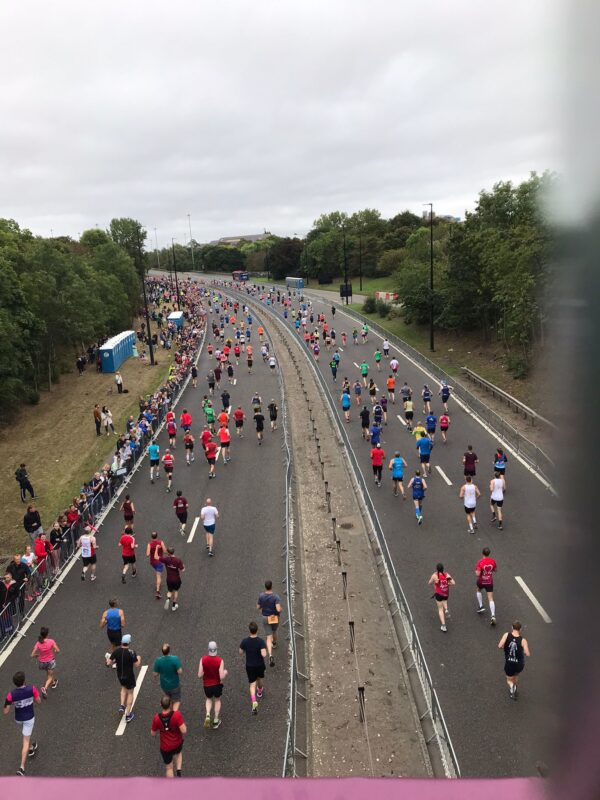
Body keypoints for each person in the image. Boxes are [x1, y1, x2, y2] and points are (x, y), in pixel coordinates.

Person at [3, 670, 41, 776]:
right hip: (29, 718)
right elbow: (39, 701)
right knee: (25, 740)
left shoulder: (11, 695)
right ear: (24, 680)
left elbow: (5, 711)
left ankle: (32, 746)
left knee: (26, 734)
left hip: (18, 719)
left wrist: (8, 703)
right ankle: (22, 768)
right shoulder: (32, 689)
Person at [151, 695, 187, 777]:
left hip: (165, 747)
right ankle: (178, 771)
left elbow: (152, 733)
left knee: (169, 768)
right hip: (177, 743)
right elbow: (184, 730)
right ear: (171, 704)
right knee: (178, 753)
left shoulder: (156, 718)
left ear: (160, 705)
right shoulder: (176, 715)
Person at [109, 634, 141, 723]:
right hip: (129, 676)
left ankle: (122, 705)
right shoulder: (131, 652)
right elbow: (137, 664)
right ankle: (128, 715)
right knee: (130, 693)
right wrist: (139, 658)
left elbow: (108, 663)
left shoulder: (116, 651)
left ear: (122, 642)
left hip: (120, 675)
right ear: (129, 642)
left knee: (123, 688)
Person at [239, 621, 267, 715]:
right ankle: (259, 691)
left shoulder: (245, 641)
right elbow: (264, 654)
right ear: (257, 630)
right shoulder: (260, 641)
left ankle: (254, 700)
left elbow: (240, 652)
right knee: (259, 679)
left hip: (250, 666)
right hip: (259, 665)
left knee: (252, 684)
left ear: (249, 630)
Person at [198, 641, 228, 729]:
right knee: (217, 700)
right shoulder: (220, 660)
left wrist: (206, 671)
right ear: (216, 649)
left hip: (207, 685)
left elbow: (199, 675)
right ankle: (215, 720)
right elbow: (221, 676)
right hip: (217, 685)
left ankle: (207, 714)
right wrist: (225, 672)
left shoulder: (203, 659)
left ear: (208, 649)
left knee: (208, 699)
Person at [498, 621, 530, 700]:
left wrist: (505, 647)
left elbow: (500, 646)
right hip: (519, 664)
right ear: (520, 629)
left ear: (512, 627)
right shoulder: (523, 640)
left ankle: (512, 687)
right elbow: (527, 653)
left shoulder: (506, 635)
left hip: (509, 662)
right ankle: (514, 685)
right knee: (516, 674)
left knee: (509, 679)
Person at [257, 580, 282, 666]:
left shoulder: (261, 596)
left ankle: (270, 655)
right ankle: (274, 643)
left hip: (265, 617)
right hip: (274, 617)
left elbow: (258, 607)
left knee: (268, 636)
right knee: (274, 631)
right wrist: (280, 609)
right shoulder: (275, 597)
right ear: (271, 586)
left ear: (265, 587)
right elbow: (278, 609)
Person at [153, 643, 183, 711]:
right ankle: (174, 715)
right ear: (169, 650)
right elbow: (180, 671)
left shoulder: (158, 660)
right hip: (174, 684)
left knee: (168, 700)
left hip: (164, 685)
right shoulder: (175, 659)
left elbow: (155, 674)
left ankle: (169, 712)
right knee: (176, 700)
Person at [31, 627, 59, 696]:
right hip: (50, 662)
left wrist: (37, 655)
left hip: (42, 663)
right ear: (47, 634)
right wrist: (55, 650)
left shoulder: (38, 643)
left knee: (48, 673)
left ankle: (53, 682)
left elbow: (32, 654)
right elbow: (58, 650)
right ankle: (45, 688)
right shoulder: (51, 641)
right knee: (49, 676)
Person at [428, 563, 455, 633]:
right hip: (446, 593)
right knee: (445, 600)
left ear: (437, 569)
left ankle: (443, 625)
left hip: (438, 594)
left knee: (440, 609)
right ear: (443, 568)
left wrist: (434, 582)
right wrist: (448, 584)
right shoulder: (446, 575)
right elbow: (453, 583)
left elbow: (429, 582)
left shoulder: (435, 575)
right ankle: (446, 609)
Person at [475, 547, 497, 625]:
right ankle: (493, 615)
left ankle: (481, 606)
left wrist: (477, 572)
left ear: (482, 553)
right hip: (489, 581)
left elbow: (477, 574)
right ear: (489, 553)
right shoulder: (492, 561)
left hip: (481, 581)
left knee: (478, 590)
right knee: (490, 598)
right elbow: (495, 570)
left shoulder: (480, 562)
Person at [147, 532, 166, 599]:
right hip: (159, 562)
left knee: (157, 573)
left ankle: (158, 582)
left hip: (152, 562)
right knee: (158, 576)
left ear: (151, 537)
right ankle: (158, 591)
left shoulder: (149, 544)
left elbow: (147, 554)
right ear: (157, 536)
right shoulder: (161, 542)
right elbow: (165, 551)